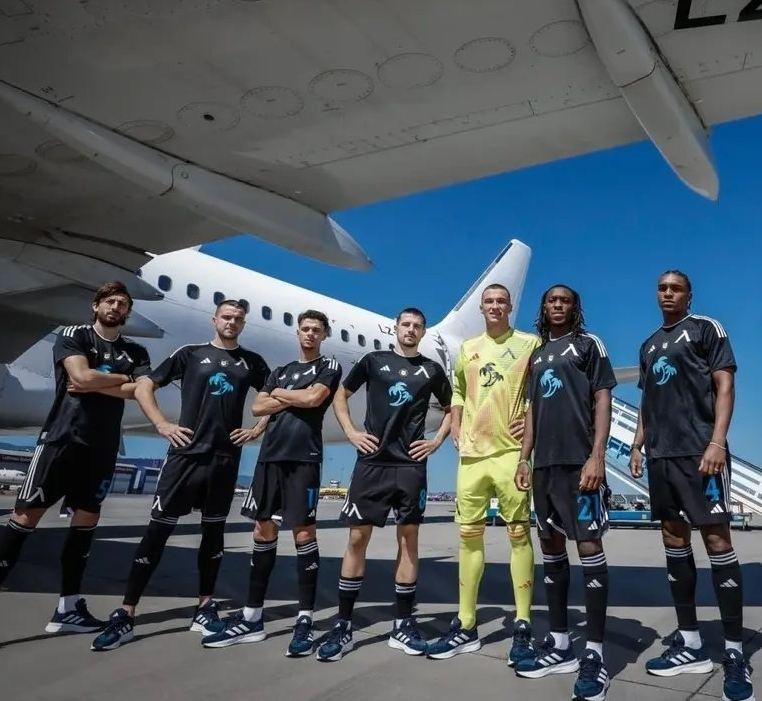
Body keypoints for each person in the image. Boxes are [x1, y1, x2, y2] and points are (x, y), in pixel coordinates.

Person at [0, 282, 152, 659]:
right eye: (110, 301)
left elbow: (139, 391)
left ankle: (68, 609)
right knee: (25, 519)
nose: (116, 307)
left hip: (102, 447)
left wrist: (109, 381)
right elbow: (80, 378)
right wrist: (121, 380)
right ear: (96, 305)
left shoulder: (137, 351)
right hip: (62, 441)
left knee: (86, 522)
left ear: (128, 312)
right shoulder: (74, 334)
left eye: (123, 304)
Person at [91, 299, 271, 652]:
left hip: (224, 459)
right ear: (215, 319)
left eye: (238, 319)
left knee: (213, 535)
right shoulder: (190, 354)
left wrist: (256, 429)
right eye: (227, 317)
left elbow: (273, 398)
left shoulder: (252, 362)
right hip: (184, 456)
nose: (232, 322)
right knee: (157, 532)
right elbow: (145, 385)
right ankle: (126, 612)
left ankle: (205, 608)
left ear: (243, 324)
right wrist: (162, 424)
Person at [628, 270, 755, 701]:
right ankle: (691, 643)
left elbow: (725, 385)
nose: (667, 293)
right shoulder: (648, 345)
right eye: (662, 288)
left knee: (717, 541)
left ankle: (735, 652)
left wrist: (717, 441)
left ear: (689, 295)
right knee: (673, 540)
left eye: (675, 288)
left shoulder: (705, 329)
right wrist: (637, 445)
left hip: (701, 453)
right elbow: (646, 401)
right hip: (661, 456)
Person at [313, 307, 453, 662]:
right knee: (357, 539)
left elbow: (454, 408)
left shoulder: (432, 370)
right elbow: (340, 394)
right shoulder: (373, 361)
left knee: (408, 540)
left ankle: (402, 624)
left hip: (411, 466)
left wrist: (436, 442)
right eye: (406, 324)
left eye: (417, 326)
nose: (411, 330)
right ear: (396, 328)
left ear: (423, 332)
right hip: (372, 463)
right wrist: (351, 432)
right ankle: (343, 625)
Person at [199, 310, 341, 656]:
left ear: (324, 335)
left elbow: (314, 399)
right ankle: (252, 618)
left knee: (304, 534)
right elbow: (258, 408)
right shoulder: (281, 371)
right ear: (298, 332)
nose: (310, 334)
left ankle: (305, 619)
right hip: (269, 458)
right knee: (262, 531)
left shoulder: (329, 366)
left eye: (316, 330)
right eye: (305, 329)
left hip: (303, 458)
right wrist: (289, 394)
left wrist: (280, 395)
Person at [425, 283, 541, 664]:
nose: (495, 306)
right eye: (489, 301)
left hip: (510, 453)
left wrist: (533, 421)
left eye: (501, 301)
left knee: (519, 535)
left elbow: (541, 389)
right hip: (473, 455)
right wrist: (456, 422)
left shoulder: (530, 344)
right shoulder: (468, 348)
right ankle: (466, 623)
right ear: (481, 307)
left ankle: (522, 623)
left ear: (510, 306)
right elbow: (458, 390)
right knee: (468, 538)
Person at [513, 285, 617, 701]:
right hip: (544, 467)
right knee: (551, 549)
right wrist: (524, 458)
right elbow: (532, 411)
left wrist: (597, 456)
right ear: (544, 308)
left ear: (575, 307)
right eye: (551, 301)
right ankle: (560, 644)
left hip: (579, 462)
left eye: (565, 301)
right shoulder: (537, 355)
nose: (558, 305)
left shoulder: (588, 345)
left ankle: (595, 654)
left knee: (589, 547)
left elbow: (603, 399)